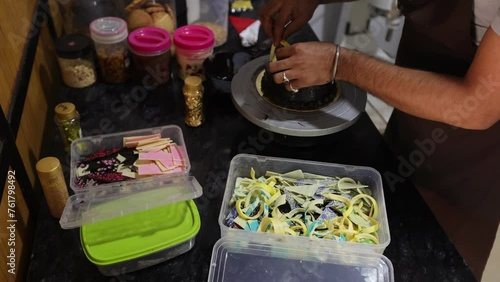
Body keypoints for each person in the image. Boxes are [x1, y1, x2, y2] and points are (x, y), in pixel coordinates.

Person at [259, 0, 500, 279]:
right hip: (410, 125)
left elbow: (477, 106)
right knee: (367, 246)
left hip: (465, 171)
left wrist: (340, 63)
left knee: (428, 264)